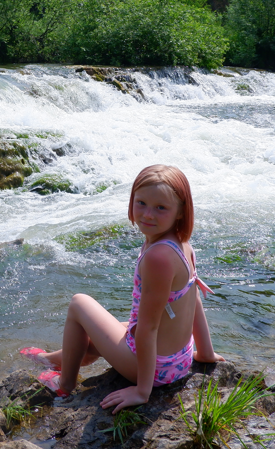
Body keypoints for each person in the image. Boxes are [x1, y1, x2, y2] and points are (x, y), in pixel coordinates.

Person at [20, 164, 222, 412]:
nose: (148, 214)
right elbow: (193, 299)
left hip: (154, 370)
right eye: (141, 203)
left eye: (160, 207)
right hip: (178, 359)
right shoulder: (181, 242)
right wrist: (205, 354)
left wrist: (142, 391)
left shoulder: (158, 257)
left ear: (180, 211)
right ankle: (52, 360)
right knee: (100, 333)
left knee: (79, 303)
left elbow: (149, 328)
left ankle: (64, 384)